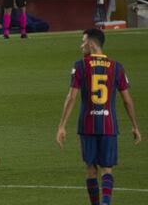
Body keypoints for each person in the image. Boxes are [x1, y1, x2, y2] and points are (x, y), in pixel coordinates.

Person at [56, 29, 141, 205]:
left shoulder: (80, 65)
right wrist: (135, 126)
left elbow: (71, 97)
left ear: (91, 44)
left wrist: (62, 126)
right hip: (109, 125)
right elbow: (127, 100)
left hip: (87, 125)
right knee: (107, 168)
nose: (81, 45)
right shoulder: (117, 67)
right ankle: (106, 202)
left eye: (83, 41)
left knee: (90, 168)